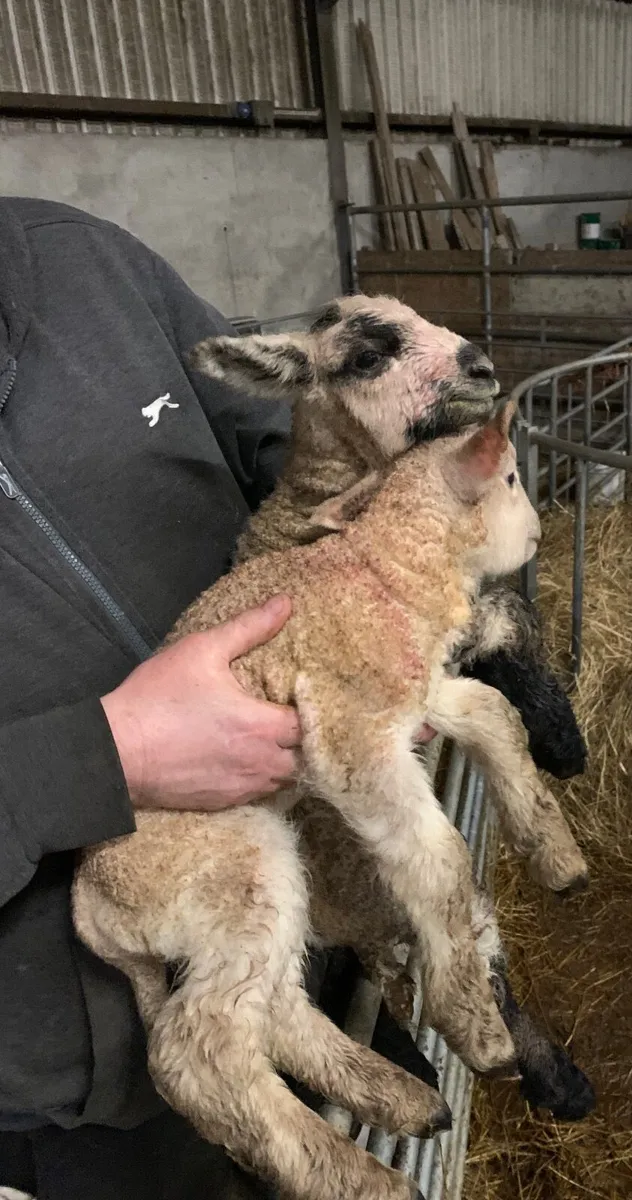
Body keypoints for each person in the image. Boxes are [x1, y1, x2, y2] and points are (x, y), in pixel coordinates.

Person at [0, 196, 306, 1199]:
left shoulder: (77, 261)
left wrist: (371, 560)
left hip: (305, 882)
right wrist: (109, 754)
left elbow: (277, 437)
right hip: (84, 1070)